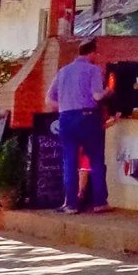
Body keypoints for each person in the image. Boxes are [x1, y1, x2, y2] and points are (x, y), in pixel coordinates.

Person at [52, 40, 108, 213]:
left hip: (65, 118)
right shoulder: (93, 70)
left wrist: (65, 106)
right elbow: (97, 96)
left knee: (69, 161)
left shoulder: (62, 71)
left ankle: (71, 204)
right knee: (96, 159)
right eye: (96, 54)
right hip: (88, 117)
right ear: (92, 53)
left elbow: (49, 99)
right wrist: (109, 91)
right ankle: (99, 203)